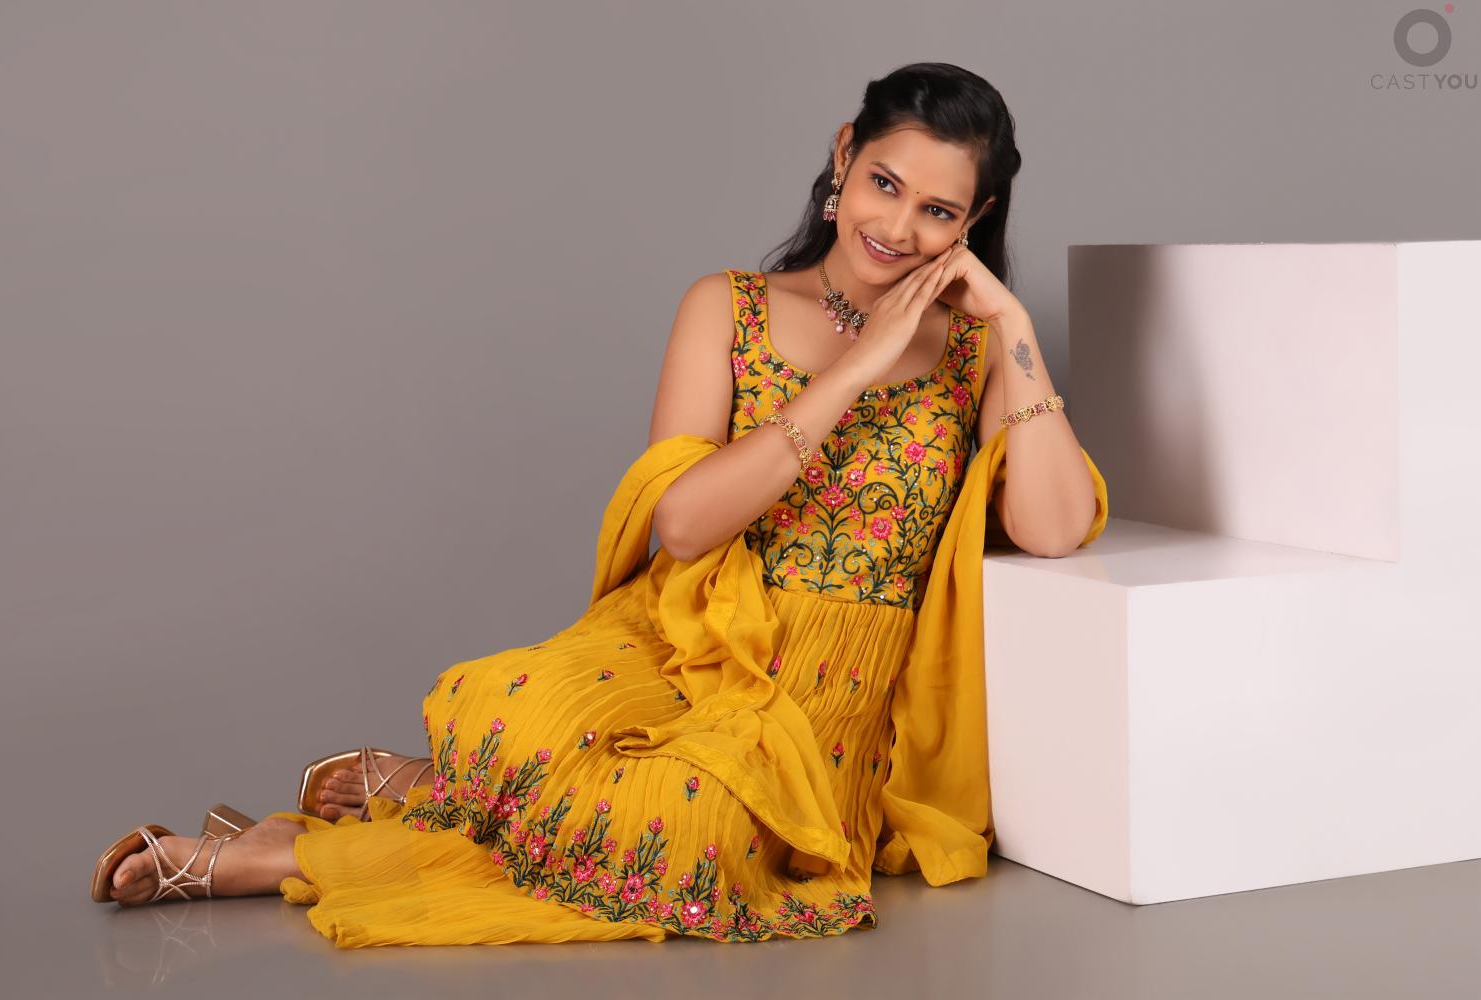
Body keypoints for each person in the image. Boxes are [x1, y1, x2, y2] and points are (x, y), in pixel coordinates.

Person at [89, 61, 1109, 946]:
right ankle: (421, 796)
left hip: (829, 702)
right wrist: (857, 367)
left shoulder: (977, 349)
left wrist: (1015, 325)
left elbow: (1054, 526)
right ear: (844, 156)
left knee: (685, 824)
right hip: (692, 642)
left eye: (938, 211)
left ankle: (300, 846)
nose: (897, 226)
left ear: (973, 221)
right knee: (522, 707)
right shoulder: (729, 307)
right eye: (884, 183)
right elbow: (682, 524)